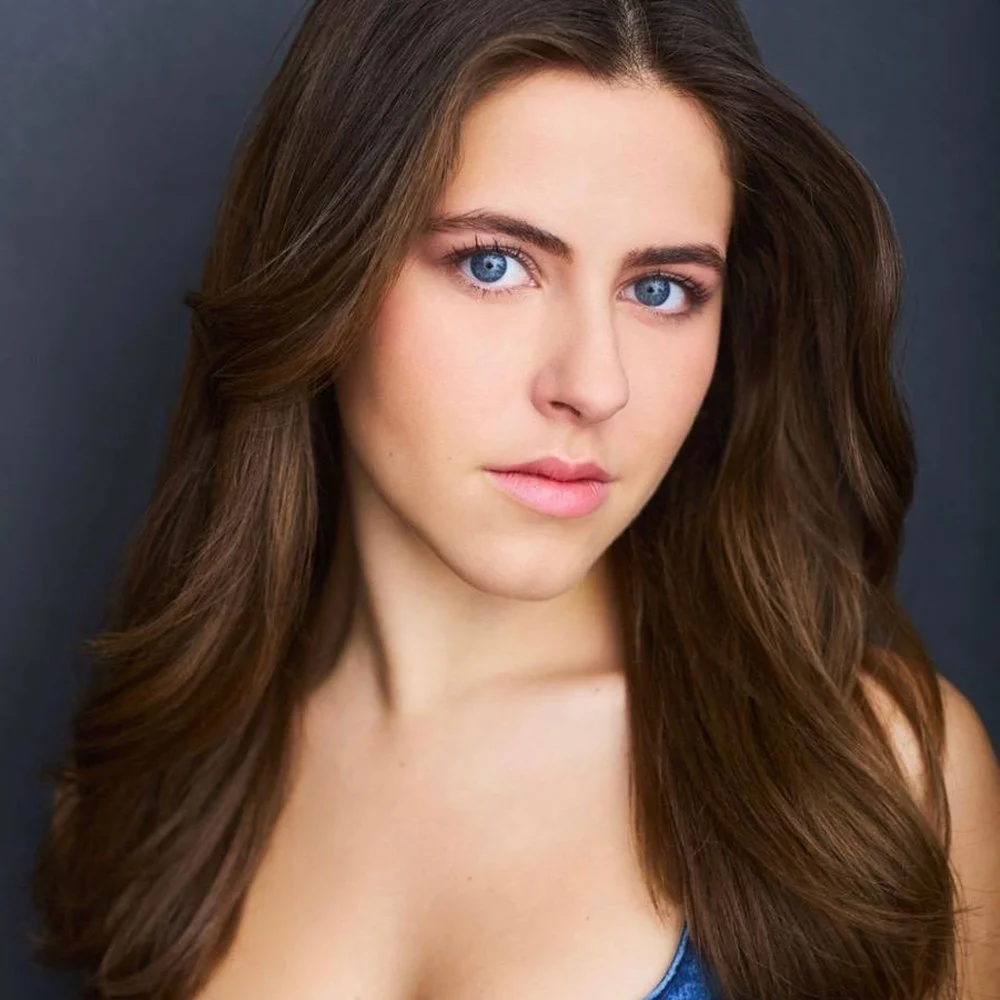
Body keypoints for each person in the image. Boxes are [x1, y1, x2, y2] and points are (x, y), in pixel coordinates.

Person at [29, 1, 1000, 998]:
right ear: (326, 266)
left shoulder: (871, 774)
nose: (592, 382)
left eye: (661, 288)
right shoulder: (147, 790)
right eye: (493, 264)